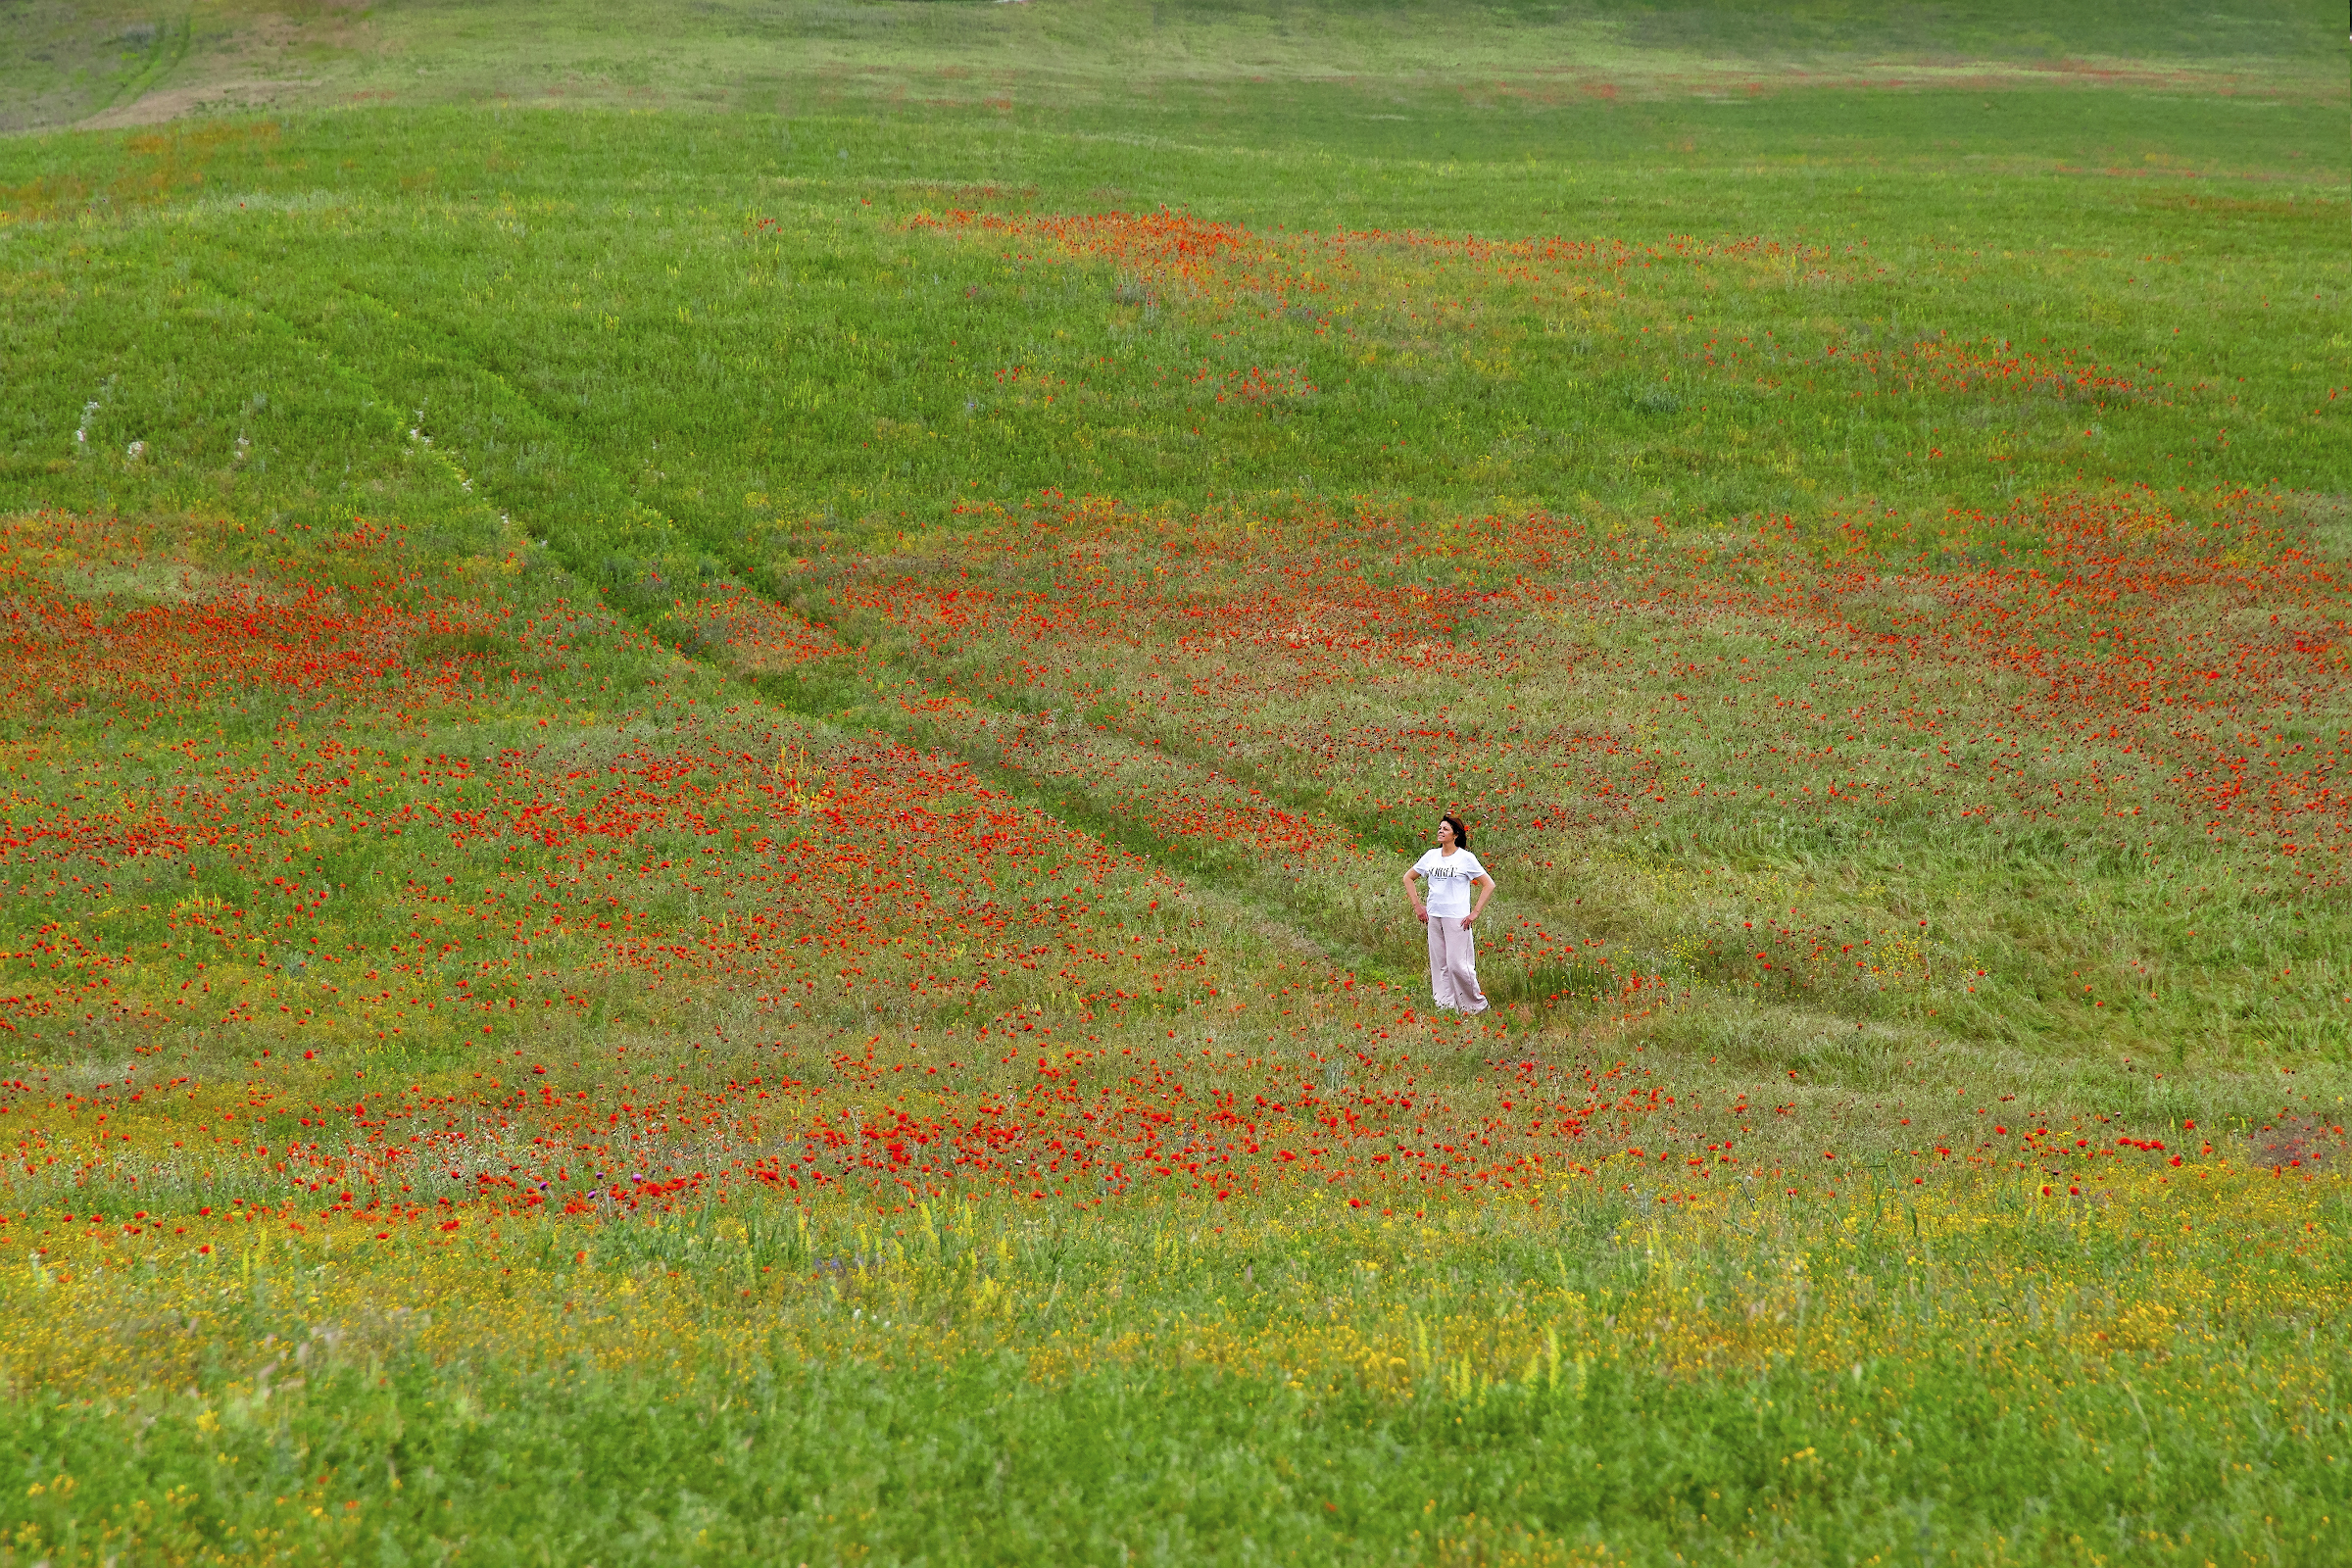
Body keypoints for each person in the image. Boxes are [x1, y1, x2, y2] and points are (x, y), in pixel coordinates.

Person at [1402, 813, 1494, 1014]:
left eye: (1445, 829)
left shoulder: (1465, 858)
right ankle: (1445, 1006)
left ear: (1455, 834)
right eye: (1440, 828)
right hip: (1435, 915)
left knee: (1457, 964)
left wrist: (1474, 913)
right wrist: (1418, 906)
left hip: (1457, 918)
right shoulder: (1431, 856)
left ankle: (1476, 1005)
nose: (1440, 831)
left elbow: (1488, 884)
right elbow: (1408, 878)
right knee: (1440, 963)